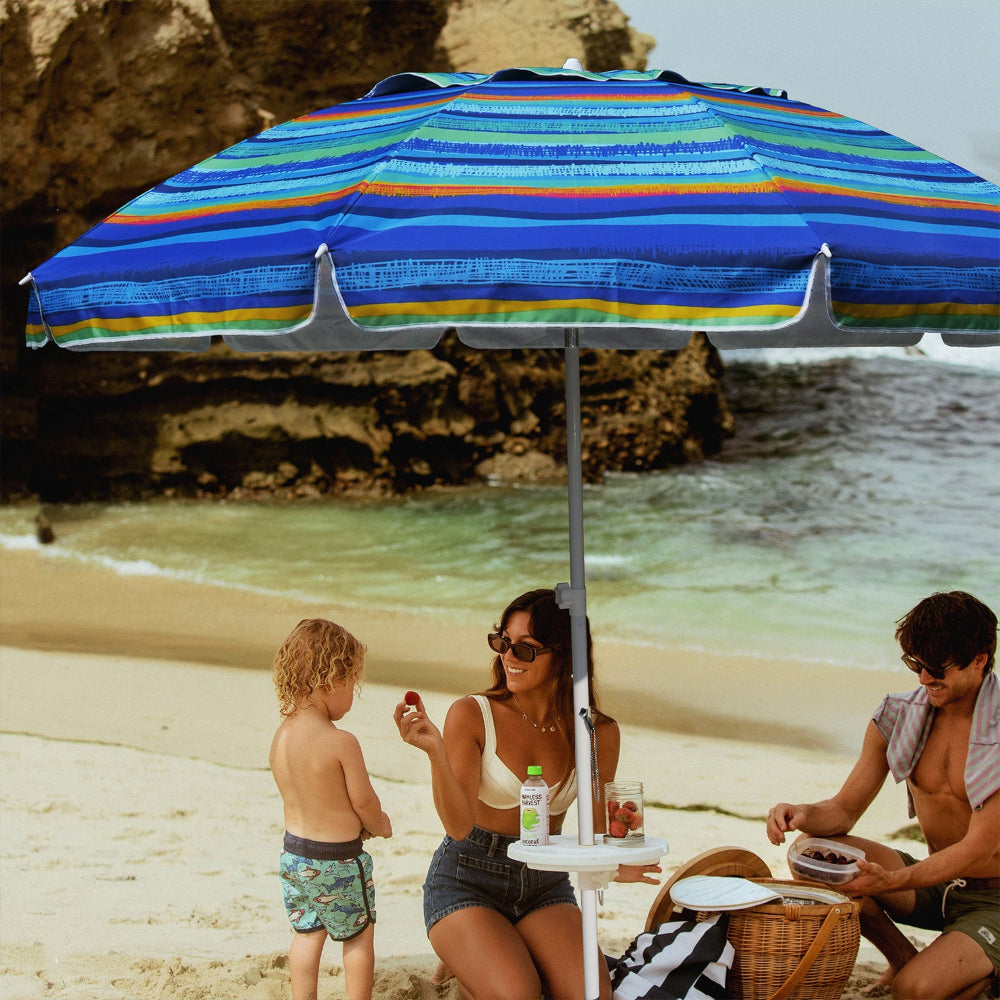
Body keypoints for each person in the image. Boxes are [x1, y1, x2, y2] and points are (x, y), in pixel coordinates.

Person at [394, 587, 661, 1000]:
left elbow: (596, 824)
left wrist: (612, 863)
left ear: (564, 656)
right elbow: (458, 825)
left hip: (545, 884)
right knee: (519, 994)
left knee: (592, 996)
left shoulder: (597, 732)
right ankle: (477, 957)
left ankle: (484, 958)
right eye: (503, 643)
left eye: (526, 649)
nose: (509, 658)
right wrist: (436, 753)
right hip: (468, 878)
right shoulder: (472, 714)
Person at [767, 591, 999, 1000]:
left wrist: (894, 879)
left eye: (936, 668)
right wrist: (801, 812)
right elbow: (842, 811)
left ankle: (970, 973)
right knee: (811, 853)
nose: (924, 679)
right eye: (916, 664)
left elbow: (978, 851)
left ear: (980, 659)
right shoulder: (899, 715)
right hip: (937, 885)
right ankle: (903, 956)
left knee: (913, 991)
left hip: (994, 898)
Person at [269, 618, 393, 1000]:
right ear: (329, 683)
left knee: (307, 935)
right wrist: (380, 824)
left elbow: (307, 793)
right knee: (357, 938)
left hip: (294, 857)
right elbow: (363, 800)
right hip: (337, 861)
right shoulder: (341, 742)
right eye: (352, 684)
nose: (353, 695)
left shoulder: (282, 736)